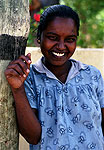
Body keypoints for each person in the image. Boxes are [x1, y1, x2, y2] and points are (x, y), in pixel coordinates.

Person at [5, 5, 104, 150]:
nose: (61, 46)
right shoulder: (29, 78)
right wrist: (18, 89)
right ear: (39, 37)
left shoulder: (92, 75)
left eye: (70, 39)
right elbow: (33, 137)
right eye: (53, 38)